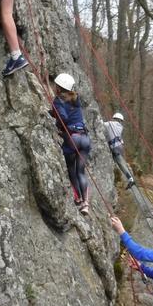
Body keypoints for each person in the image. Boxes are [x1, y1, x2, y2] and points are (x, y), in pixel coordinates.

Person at [50, 73, 92, 214]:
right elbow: (71, 113)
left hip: (72, 139)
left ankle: (78, 198)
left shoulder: (58, 101)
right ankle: (86, 204)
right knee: (81, 172)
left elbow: (63, 117)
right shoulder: (75, 99)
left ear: (58, 88)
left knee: (71, 169)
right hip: (85, 138)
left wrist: (54, 115)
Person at [102, 112, 136, 189]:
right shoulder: (121, 127)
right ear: (120, 120)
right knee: (120, 163)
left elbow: (100, 124)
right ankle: (130, 178)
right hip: (120, 146)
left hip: (114, 146)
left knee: (119, 163)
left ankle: (130, 179)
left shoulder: (110, 123)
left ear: (114, 118)